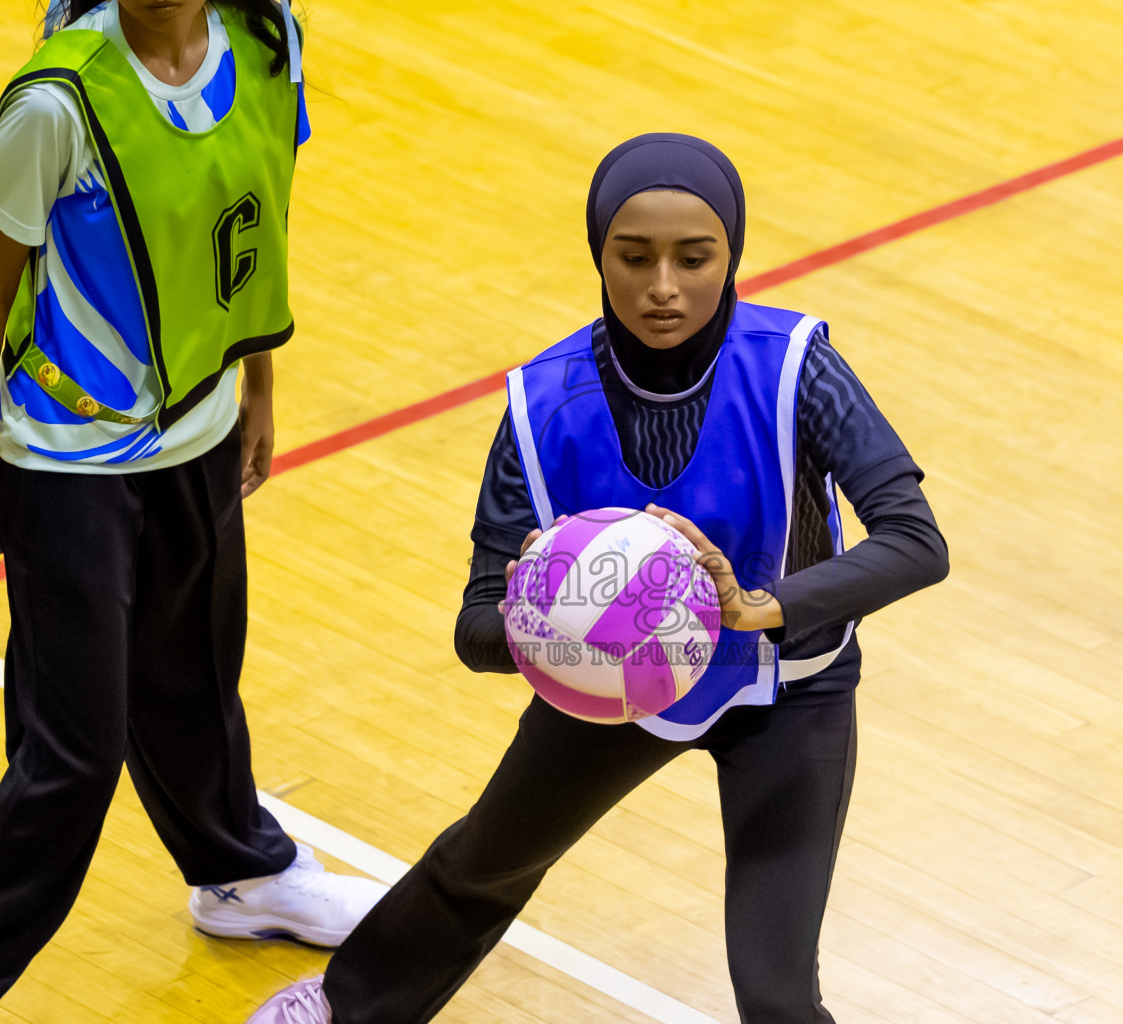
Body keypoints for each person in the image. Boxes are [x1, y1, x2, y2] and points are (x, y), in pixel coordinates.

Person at [246, 133, 950, 1024]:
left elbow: (917, 541)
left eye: (695, 259)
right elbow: (475, 625)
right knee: (481, 866)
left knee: (774, 989)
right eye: (635, 256)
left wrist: (757, 609)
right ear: (597, 255)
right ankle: (348, 1008)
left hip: (792, 690)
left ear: (731, 254)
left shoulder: (796, 365)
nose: (664, 286)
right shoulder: (541, 405)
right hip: (616, 689)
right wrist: (568, 620)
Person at [0, 4, 384, 1023]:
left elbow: (254, 213)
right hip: (65, 459)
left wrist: (258, 383)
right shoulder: (59, 101)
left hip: (198, 424)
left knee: (194, 672)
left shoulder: (268, 38)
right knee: (73, 752)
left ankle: (237, 873)